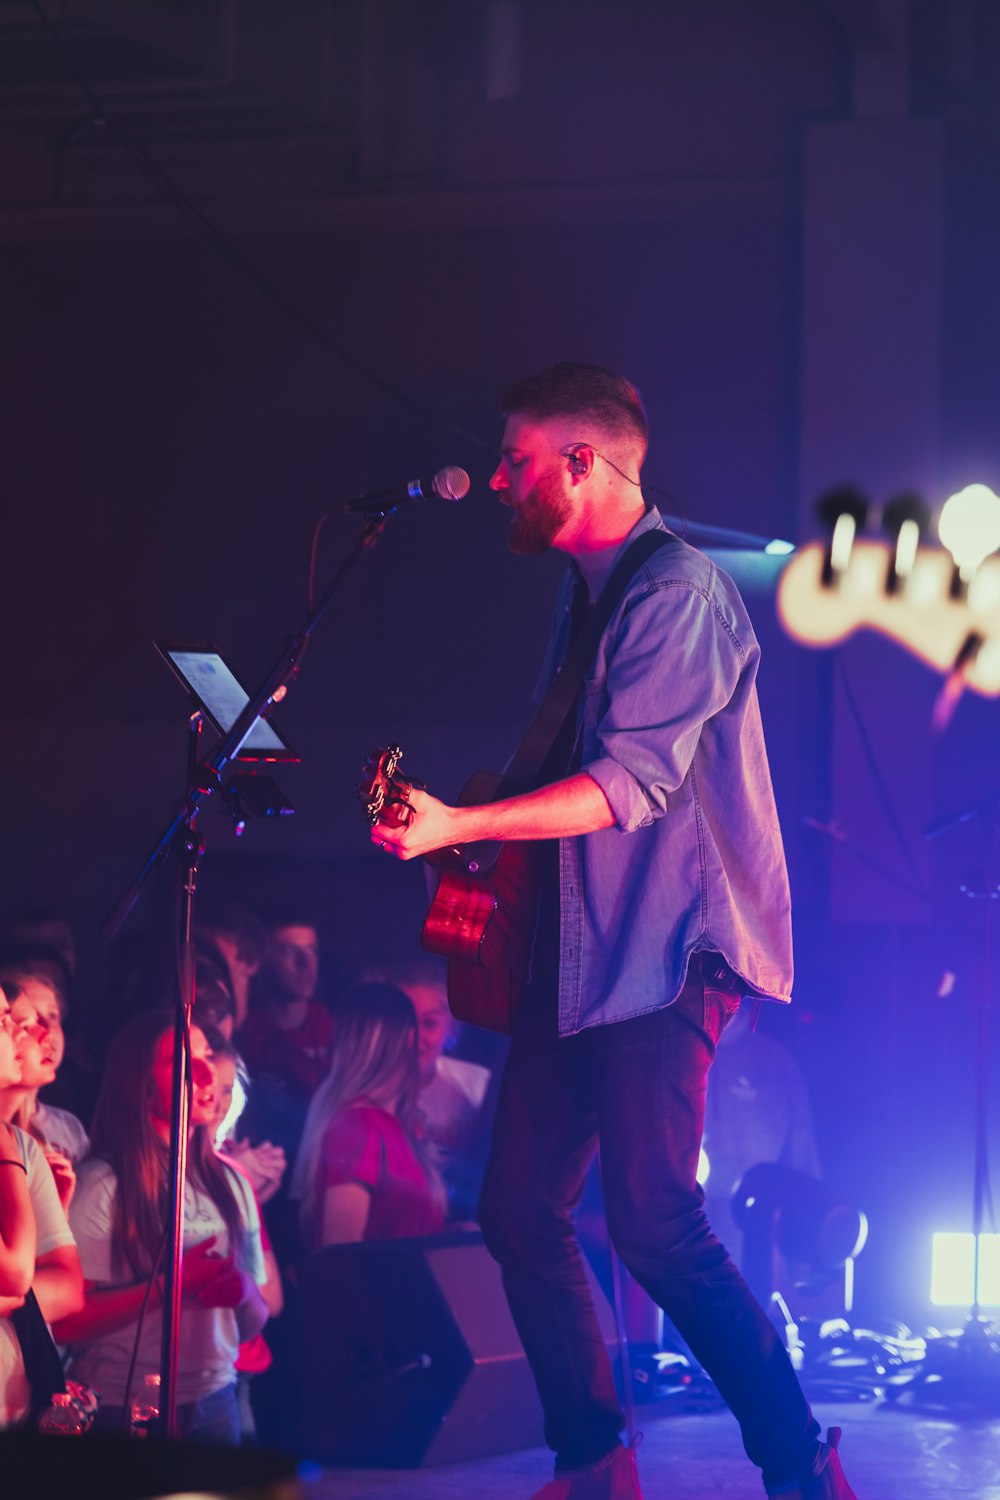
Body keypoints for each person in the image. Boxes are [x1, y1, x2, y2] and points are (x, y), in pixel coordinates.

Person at [371, 364, 856, 1499]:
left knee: (653, 1220)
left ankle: (800, 1467)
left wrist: (468, 818)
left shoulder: (675, 594)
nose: (498, 479)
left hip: (665, 955)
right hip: (582, 961)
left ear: (581, 466)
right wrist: (455, 825)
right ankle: (592, 1459)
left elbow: (626, 786)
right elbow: (562, 779)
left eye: (517, 459)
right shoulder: (586, 595)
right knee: (516, 1209)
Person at [53, 1012, 269, 1443]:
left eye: (208, 1055)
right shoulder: (103, 1184)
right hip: (120, 1404)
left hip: (214, 1400)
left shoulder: (229, 1183)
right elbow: (65, 1325)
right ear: (140, 1080)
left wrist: (242, 1291)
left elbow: (252, 1321)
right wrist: (170, 1287)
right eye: (183, 1060)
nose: (206, 1073)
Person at [290, 983, 445, 1249]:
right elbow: (342, 1254)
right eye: (420, 1027)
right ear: (408, 1037)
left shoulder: (395, 1124)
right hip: (380, 1290)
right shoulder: (361, 1125)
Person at [0, 982, 83, 1429]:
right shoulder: (12, 1146)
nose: (19, 1034)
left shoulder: (26, 1148)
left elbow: (70, 1288)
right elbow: (14, 1272)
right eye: (5, 1021)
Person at [360, 957, 493, 1221]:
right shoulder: (365, 1096)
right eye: (405, 1022)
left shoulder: (477, 1085)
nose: (416, 1036)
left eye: (430, 1023)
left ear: (451, 1027)